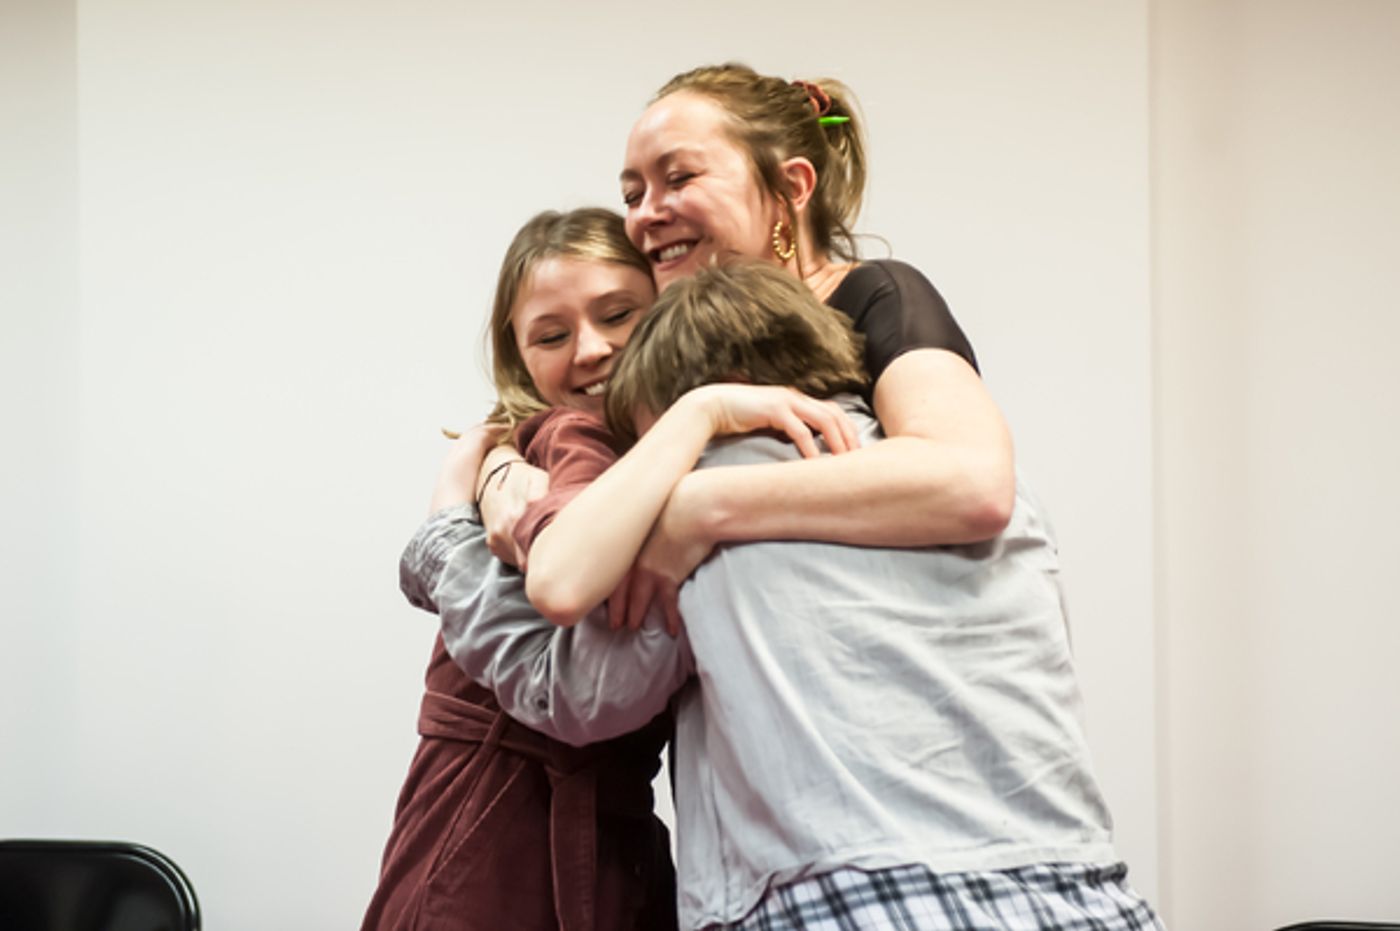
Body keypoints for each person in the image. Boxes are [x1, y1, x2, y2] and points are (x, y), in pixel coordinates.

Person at [505, 260, 1164, 930]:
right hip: (1078, 886)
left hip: (838, 897)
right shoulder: (990, 485)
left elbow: (575, 689)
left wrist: (453, 526)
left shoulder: (699, 507)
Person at [359, 208, 682, 931]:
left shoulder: (634, 449)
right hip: (496, 817)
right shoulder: (573, 433)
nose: (591, 350)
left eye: (618, 314)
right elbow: (569, 547)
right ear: (519, 357)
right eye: (552, 334)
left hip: (588, 822)